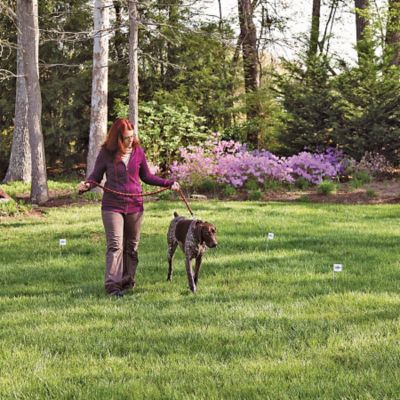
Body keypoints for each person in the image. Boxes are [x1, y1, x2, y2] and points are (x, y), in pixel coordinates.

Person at [78, 118, 180, 297]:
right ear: (117, 137)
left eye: (132, 136)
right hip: (112, 205)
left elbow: (147, 176)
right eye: (126, 137)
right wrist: (86, 186)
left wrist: (169, 183)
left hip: (135, 205)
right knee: (115, 245)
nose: (130, 140)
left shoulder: (138, 151)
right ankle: (113, 286)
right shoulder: (106, 153)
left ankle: (127, 281)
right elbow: (95, 176)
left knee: (131, 246)